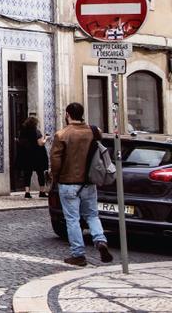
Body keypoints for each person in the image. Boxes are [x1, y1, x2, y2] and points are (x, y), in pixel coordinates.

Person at [50, 102, 114, 267]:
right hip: (89, 183)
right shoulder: (94, 131)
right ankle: (100, 240)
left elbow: (55, 161)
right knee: (92, 215)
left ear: (67, 114)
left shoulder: (62, 134)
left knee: (72, 220)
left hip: (68, 183)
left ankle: (78, 254)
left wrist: (54, 178)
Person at [17, 115, 49, 199]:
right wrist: (46, 139)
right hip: (37, 155)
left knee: (27, 174)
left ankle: (27, 192)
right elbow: (40, 143)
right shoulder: (36, 132)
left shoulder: (22, 132)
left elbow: (20, 142)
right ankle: (42, 191)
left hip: (26, 155)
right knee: (40, 173)